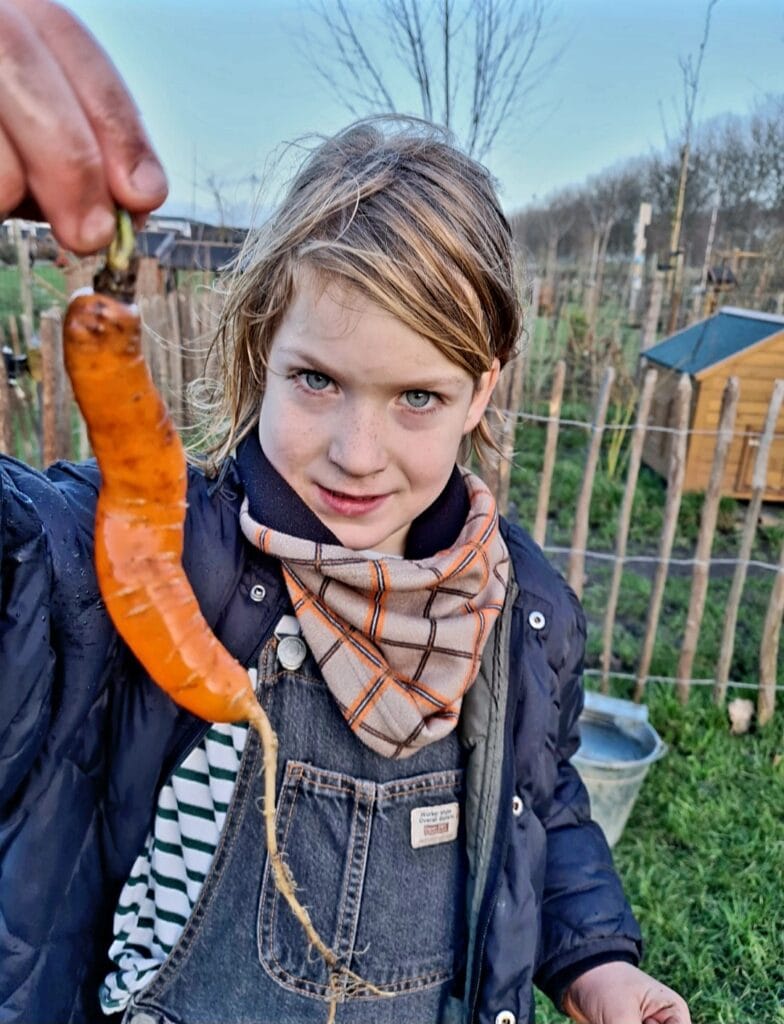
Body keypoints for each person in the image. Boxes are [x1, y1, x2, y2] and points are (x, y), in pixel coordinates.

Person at [0, 3, 691, 1023]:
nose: (357, 455)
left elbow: (537, 807)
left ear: (482, 390)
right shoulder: (143, 556)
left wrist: (594, 959)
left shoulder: (516, 606)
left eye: (416, 396)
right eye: (317, 380)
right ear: (258, 353)